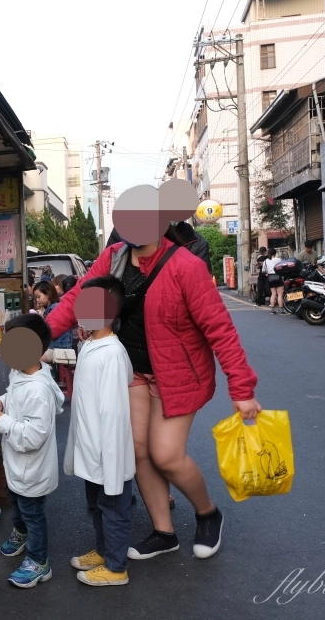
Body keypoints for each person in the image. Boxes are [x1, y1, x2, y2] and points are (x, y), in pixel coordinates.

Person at [45, 231, 260, 561]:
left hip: (178, 374)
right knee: (138, 451)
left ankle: (207, 513)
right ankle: (164, 532)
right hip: (132, 370)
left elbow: (220, 327)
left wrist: (242, 388)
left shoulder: (186, 266)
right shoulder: (114, 256)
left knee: (167, 455)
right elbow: (77, 299)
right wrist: (39, 335)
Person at [0, 314, 65, 588]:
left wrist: (3, 423)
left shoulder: (39, 390)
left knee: (32, 512)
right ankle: (20, 532)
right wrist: (2, 401)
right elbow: (14, 395)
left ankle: (40, 562)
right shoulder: (21, 373)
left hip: (32, 466)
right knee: (16, 500)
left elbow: (34, 435)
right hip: (17, 463)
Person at [65, 275, 136, 587]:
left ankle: (116, 568)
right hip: (92, 447)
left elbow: (115, 413)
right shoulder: (92, 344)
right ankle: (105, 551)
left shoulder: (112, 354)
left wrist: (112, 462)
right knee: (97, 505)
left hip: (110, 453)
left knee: (114, 508)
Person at [262, 249, 285, 315]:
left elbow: (264, 270)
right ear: (275, 253)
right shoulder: (279, 260)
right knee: (280, 294)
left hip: (270, 277)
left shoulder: (266, 261)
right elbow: (282, 267)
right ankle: (281, 310)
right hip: (278, 276)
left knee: (273, 293)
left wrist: (268, 272)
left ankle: (272, 309)